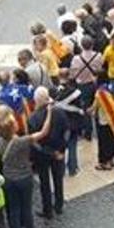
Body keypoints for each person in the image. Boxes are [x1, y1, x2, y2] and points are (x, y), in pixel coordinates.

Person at [0, 104, 53, 228]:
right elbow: (44, 132)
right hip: (24, 177)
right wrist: (49, 113)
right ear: (13, 128)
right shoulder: (22, 141)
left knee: (14, 209)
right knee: (26, 208)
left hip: (8, 179)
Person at [27, 87, 69, 220]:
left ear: (36, 100)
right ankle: (59, 206)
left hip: (42, 156)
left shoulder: (33, 118)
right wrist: (62, 151)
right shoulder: (60, 111)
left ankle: (48, 211)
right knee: (58, 180)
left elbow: (35, 143)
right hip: (59, 153)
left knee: (44, 183)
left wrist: (51, 153)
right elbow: (67, 132)